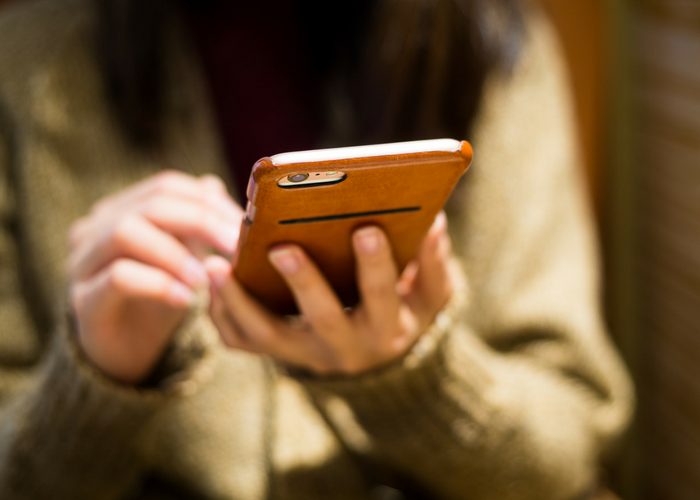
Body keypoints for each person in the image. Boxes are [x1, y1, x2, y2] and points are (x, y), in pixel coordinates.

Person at [0, 0, 632, 498]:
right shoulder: (23, 67)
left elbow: (568, 452)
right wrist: (93, 387)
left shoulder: (498, 50)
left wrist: (421, 383)